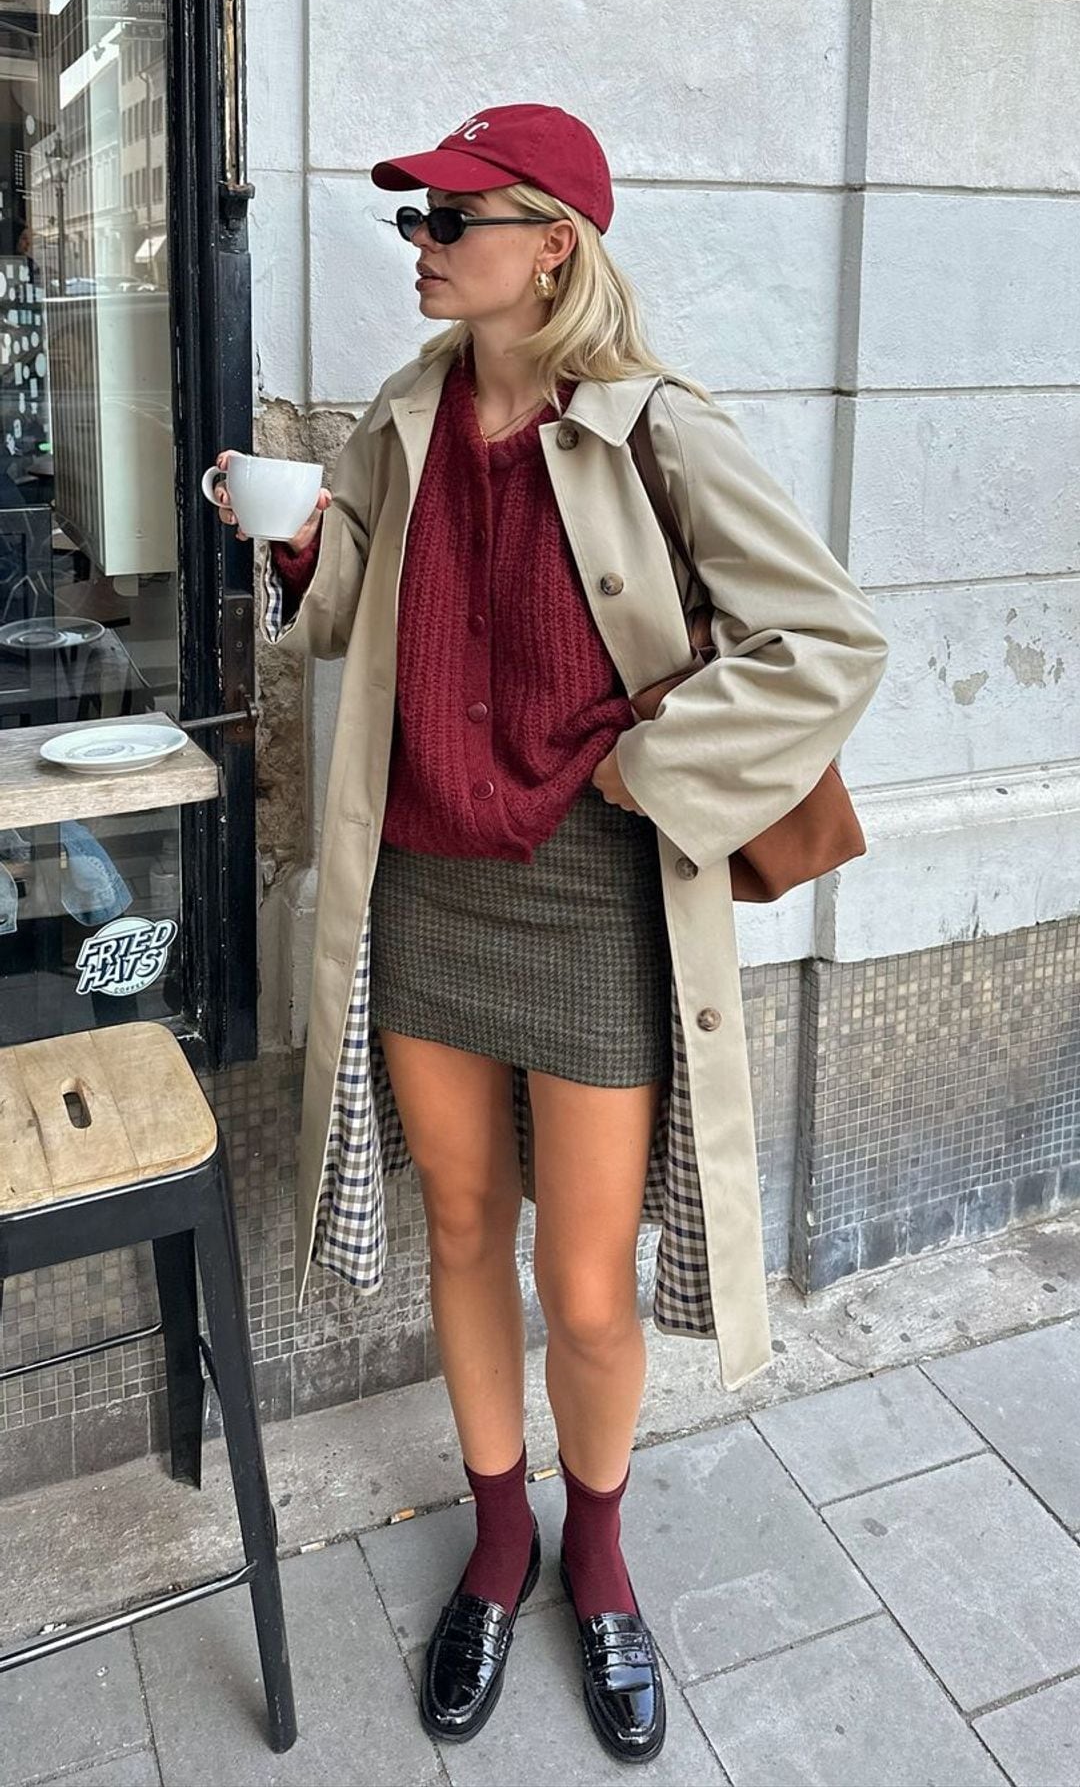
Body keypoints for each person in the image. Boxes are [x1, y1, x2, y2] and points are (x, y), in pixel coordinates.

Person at [212, 102, 889, 1764]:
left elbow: (826, 636)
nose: (424, 247)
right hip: (430, 891)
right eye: (414, 223)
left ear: (554, 245)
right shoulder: (405, 414)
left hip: (593, 901)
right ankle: (496, 1540)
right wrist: (306, 540)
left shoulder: (655, 429)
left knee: (584, 1293)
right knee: (462, 1231)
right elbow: (368, 604)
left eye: (452, 218)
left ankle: (597, 1559)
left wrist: (651, 767)